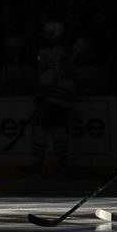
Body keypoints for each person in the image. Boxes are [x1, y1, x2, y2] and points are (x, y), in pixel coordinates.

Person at [18, 20, 76, 178]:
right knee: (59, 130)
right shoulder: (66, 51)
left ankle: (37, 165)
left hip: (54, 94)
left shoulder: (47, 53)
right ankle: (62, 167)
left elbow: (49, 74)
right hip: (66, 94)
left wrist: (40, 92)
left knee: (41, 129)